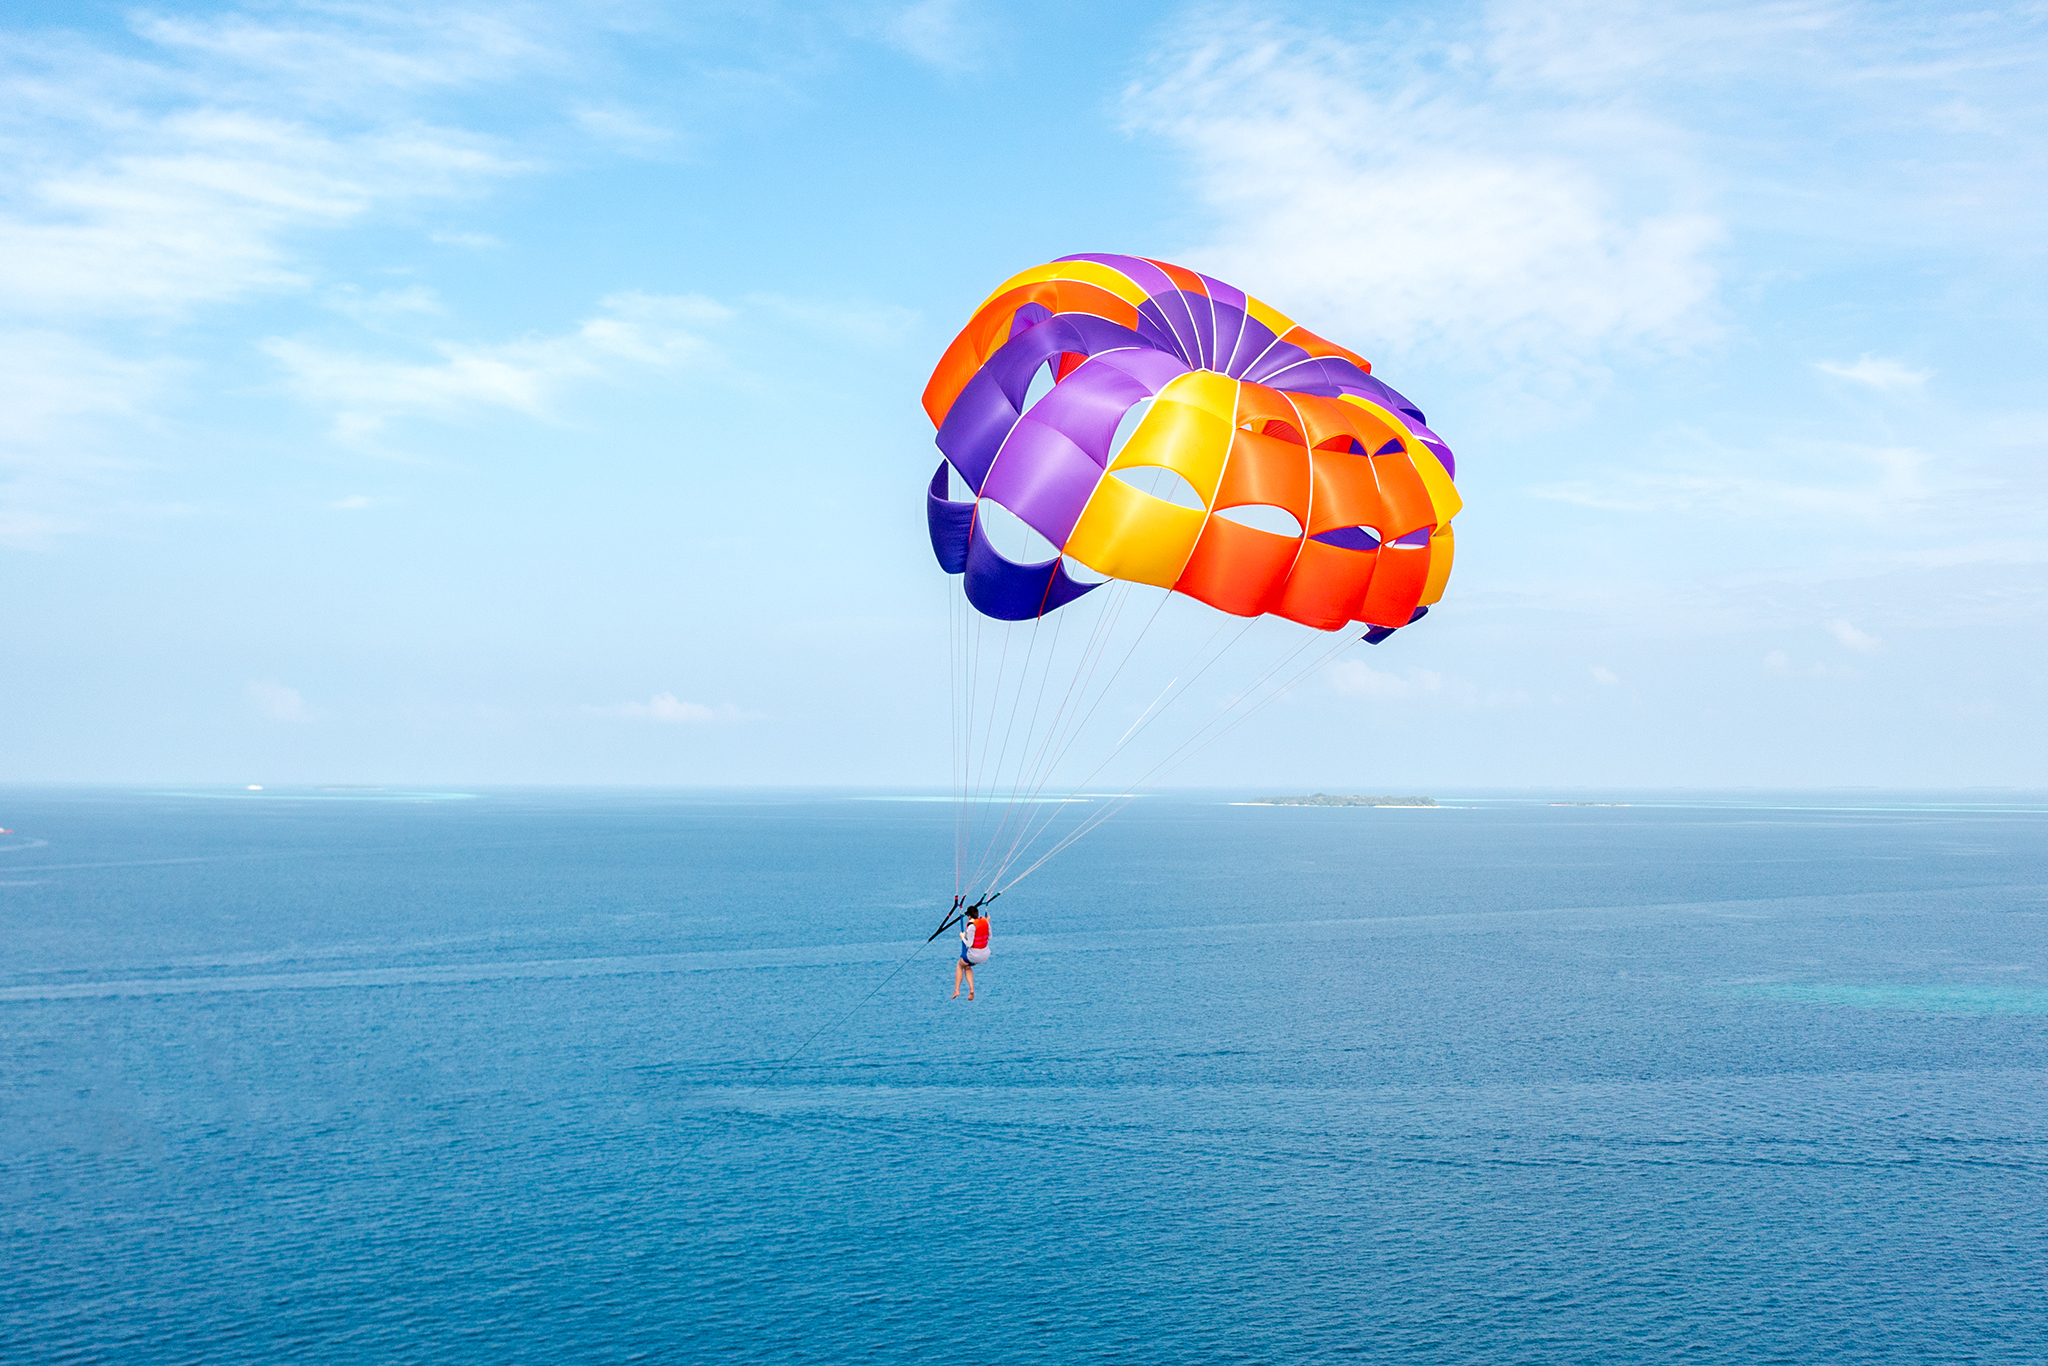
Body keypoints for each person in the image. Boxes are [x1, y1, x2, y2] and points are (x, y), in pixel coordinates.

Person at [953, 904, 991, 1000]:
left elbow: (969, 944)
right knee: (967, 966)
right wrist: (987, 922)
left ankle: (957, 990)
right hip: (985, 955)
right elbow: (989, 937)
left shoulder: (971, 927)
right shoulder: (986, 922)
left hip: (974, 955)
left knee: (960, 965)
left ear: (969, 916)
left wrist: (962, 937)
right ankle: (971, 989)